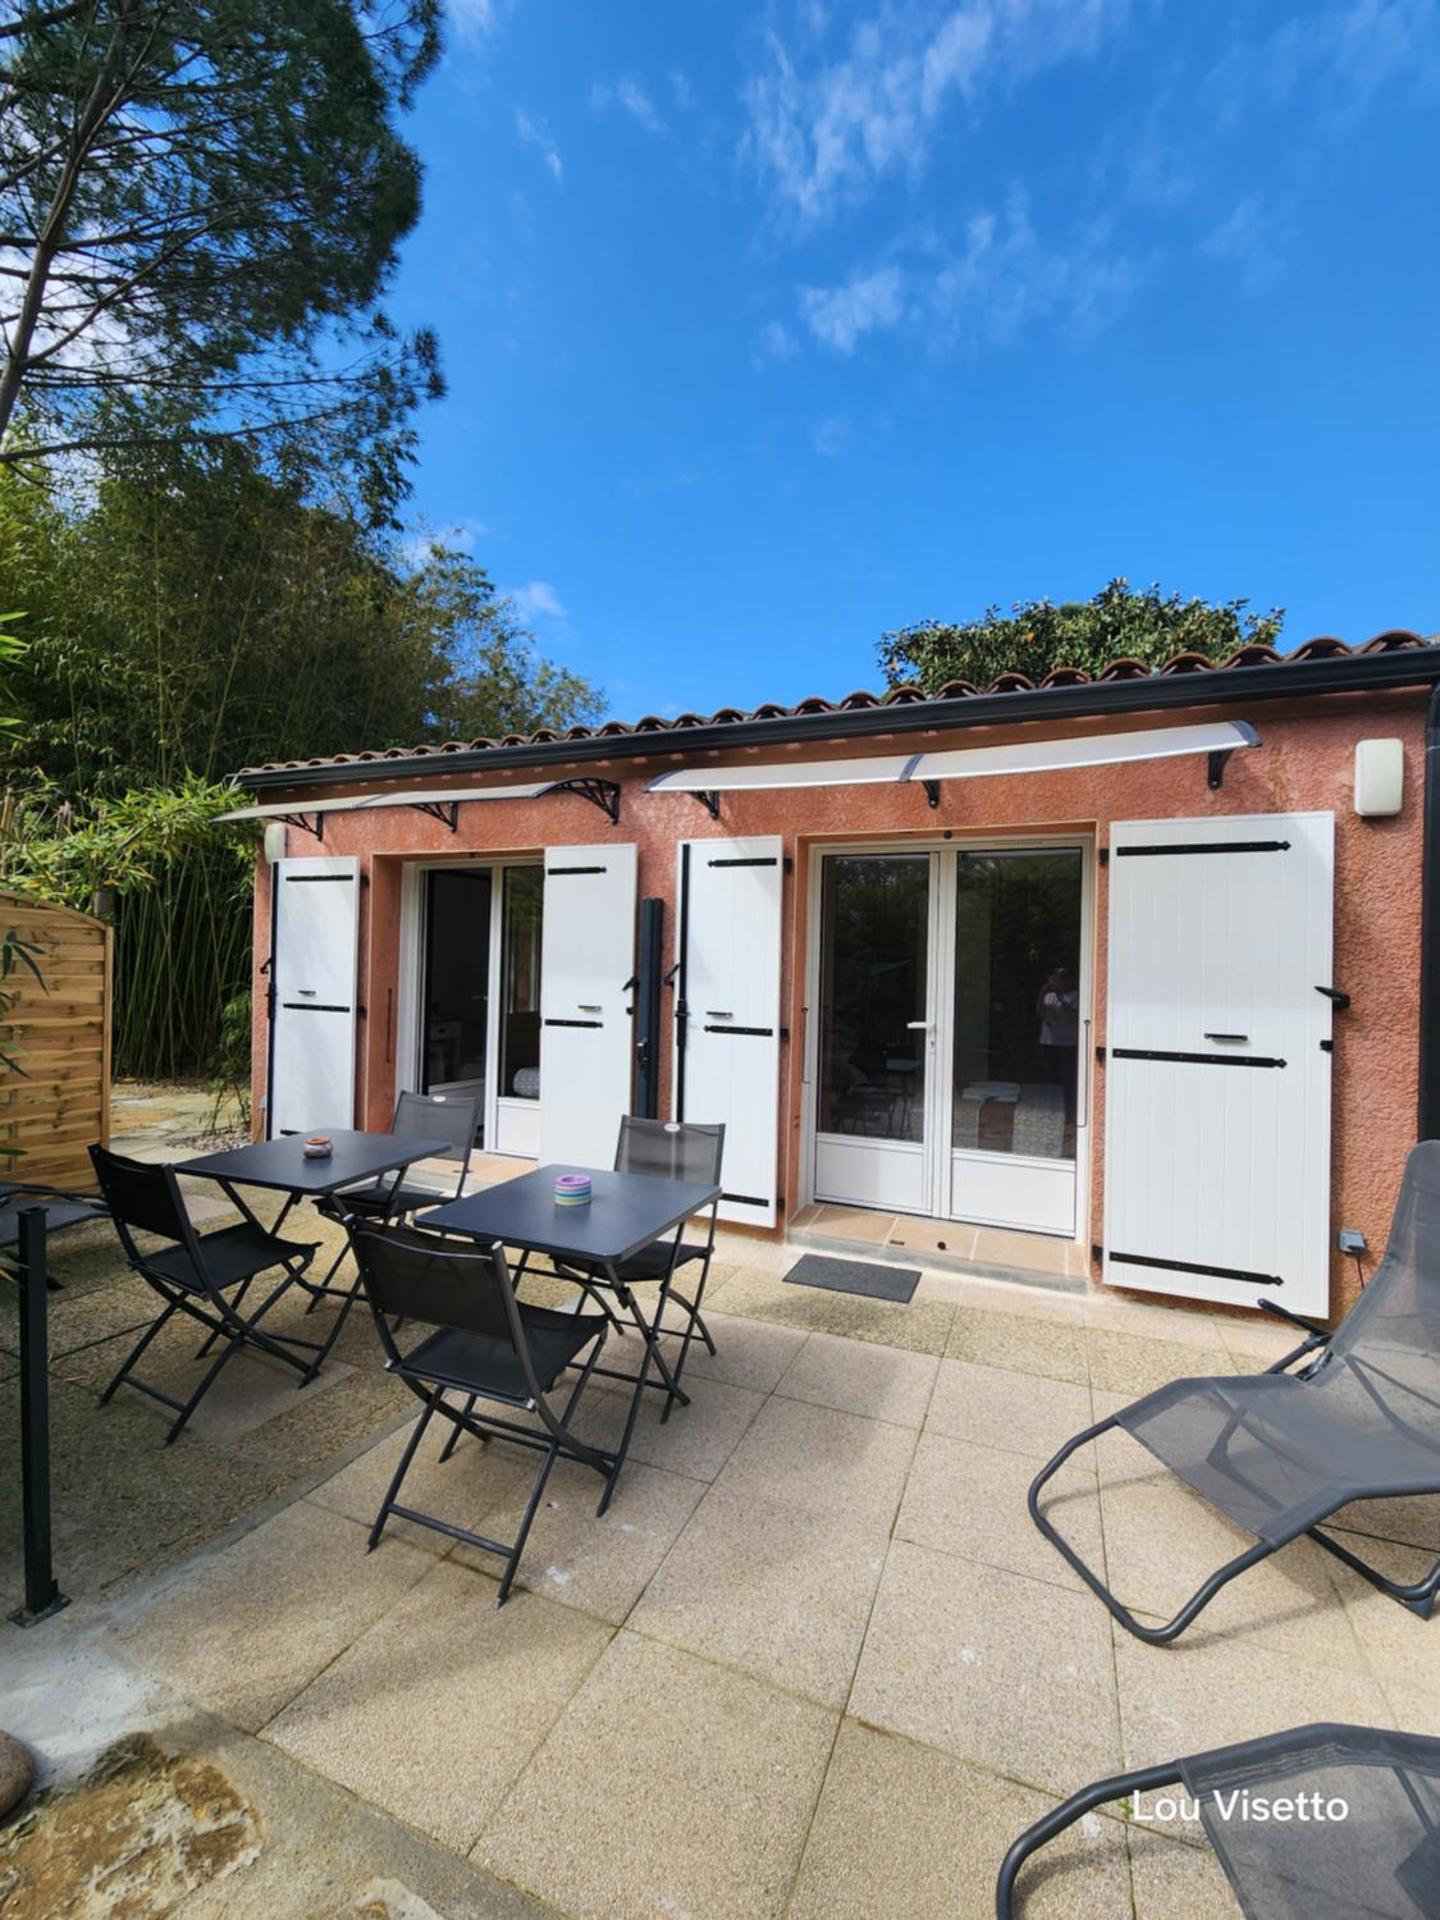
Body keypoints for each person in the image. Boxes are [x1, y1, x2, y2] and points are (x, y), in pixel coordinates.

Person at [1035, 965, 1080, 1117]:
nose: (1059, 981)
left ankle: (1069, 1111)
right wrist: (1042, 992)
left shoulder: (1076, 994)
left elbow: (1075, 1016)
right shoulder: (1049, 994)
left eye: (1063, 978)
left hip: (1067, 1043)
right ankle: (1051, 1110)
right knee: (1050, 1076)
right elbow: (1040, 1012)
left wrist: (1060, 997)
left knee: (1067, 1078)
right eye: (1057, 977)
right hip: (1048, 1041)